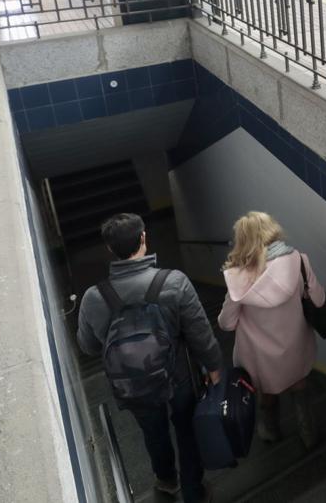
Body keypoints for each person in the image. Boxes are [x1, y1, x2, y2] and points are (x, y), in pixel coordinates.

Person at [78, 213, 222, 503]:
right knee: (186, 428)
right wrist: (215, 368)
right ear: (144, 238)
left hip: (133, 383)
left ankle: (166, 480)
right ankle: (193, 490)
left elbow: (88, 347)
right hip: (178, 377)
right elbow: (200, 333)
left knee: (153, 431)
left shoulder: (94, 298)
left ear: (109, 249)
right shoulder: (174, 282)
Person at [218, 211, 326, 448]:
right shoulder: (298, 260)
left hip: (259, 356)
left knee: (266, 391)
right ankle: (308, 434)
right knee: (299, 384)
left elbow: (226, 323)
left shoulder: (239, 279)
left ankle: (270, 430)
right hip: (295, 344)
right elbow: (318, 299)